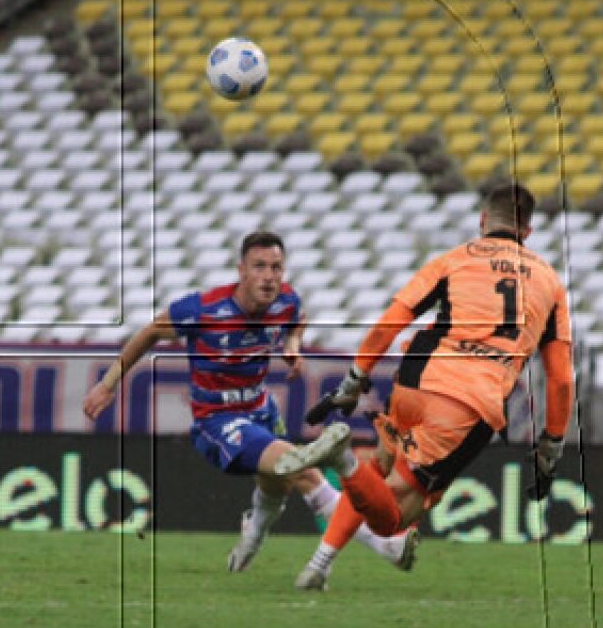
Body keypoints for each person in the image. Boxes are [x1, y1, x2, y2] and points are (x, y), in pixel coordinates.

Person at [279, 181, 575, 590]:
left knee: (379, 470)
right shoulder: (549, 283)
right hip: (469, 401)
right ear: (528, 230)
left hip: (418, 373)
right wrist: (551, 446)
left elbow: (391, 322)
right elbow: (560, 380)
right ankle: (342, 459)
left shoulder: (453, 261)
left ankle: (319, 564)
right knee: (396, 516)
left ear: (484, 220)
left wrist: (354, 380)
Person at [82, 230, 417, 575]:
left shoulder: (286, 301)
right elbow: (151, 332)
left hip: (262, 411)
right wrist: (108, 384)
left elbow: (297, 319)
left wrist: (293, 344)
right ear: (241, 270)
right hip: (219, 421)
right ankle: (385, 545)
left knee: (277, 484)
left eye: (276, 268)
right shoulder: (204, 309)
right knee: (303, 469)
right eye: (260, 267)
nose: (269, 277)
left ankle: (252, 535)